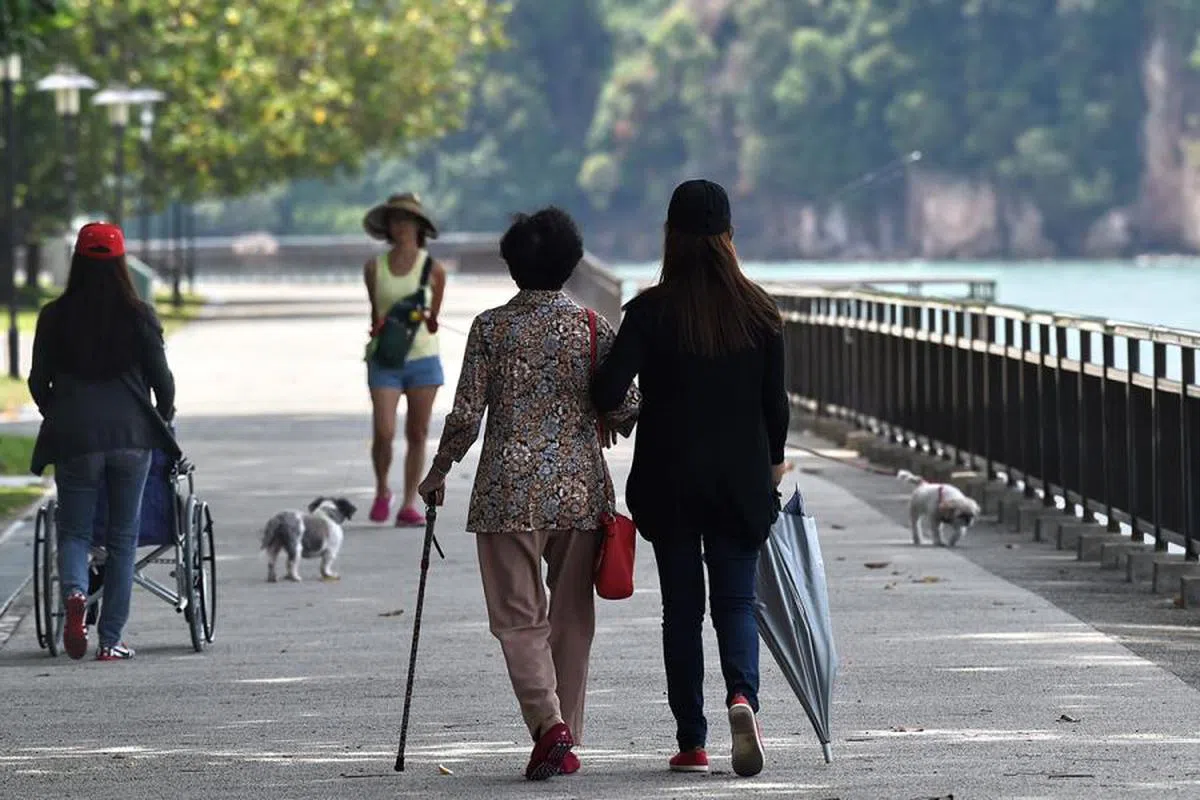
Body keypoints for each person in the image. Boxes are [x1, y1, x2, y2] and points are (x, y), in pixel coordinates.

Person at [417, 207, 639, 781]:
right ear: (571, 264)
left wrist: (439, 469)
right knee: (571, 619)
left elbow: (467, 413)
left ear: (512, 264)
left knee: (518, 621)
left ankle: (550, 728)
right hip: (578, 490)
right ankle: (568, 737)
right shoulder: (592, 326)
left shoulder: (491, 327)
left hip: (506, 494)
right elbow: (627, 405)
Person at [590, 179, 790, 778]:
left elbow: (606, 389)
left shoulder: (650, 310)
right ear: (728, 236)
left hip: (669, 480)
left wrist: (627, 407)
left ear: (670, 236)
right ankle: (742, 699)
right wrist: (772, 466)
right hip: (740, 482)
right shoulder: (761, 311)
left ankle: (692, 742)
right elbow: (774, 406)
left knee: (681, 610)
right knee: (735, 601)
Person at [29, 222, 179, 661]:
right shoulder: (140, 314)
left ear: (77, 261)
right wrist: (162, 421)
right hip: (132, 436)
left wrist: (57, 413)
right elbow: (163, 384)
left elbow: (39, 381)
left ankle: (76, 594)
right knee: (122, 537)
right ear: (120, 263)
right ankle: (111, 639)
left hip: (76, 435)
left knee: (74, 530)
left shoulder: (54, 315)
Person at [362, 192, 447, 527]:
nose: (400, 226)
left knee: (417, 432)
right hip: (385, 358)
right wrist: (380, 325)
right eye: (394, 220)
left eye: (406, 219)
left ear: (418, 225)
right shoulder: (374, 268)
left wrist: (426, 317)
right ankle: (383, 488)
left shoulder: (433, 269)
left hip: (423, 358)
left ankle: (409, 502)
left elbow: (433, 318)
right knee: (383, 430)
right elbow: (375, 312)